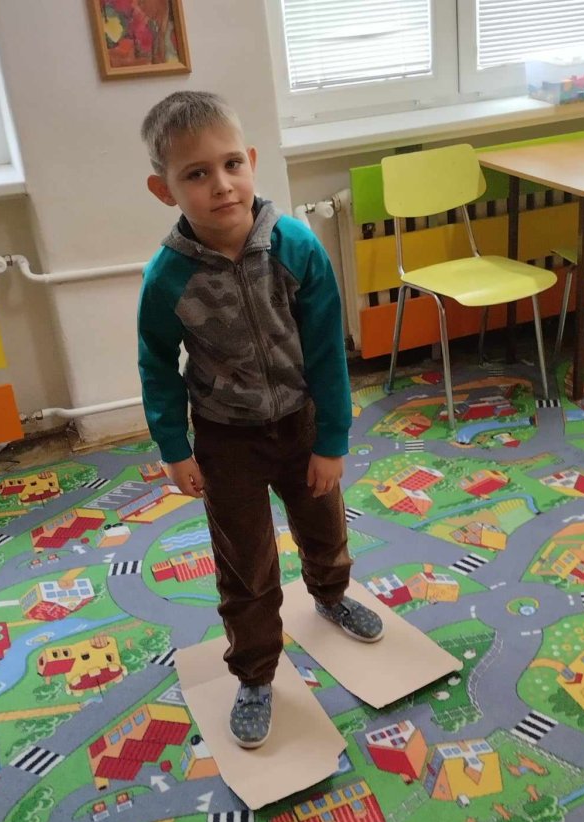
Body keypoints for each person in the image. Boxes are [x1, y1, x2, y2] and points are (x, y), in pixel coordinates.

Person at [136, 91, 383, 749]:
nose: (220, 185)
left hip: (301, 424)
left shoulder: (295, 246)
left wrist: (331, 439)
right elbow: (156, 363)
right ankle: (254, 673)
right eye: (196, 174)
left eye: (230, 165)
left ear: (249, 160)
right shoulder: (166, 278)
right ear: (165, 190)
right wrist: (174, 447)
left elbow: (327, 350)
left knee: (323, 527)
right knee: (244, 564)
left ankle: (330, 594)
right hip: (226, 440)